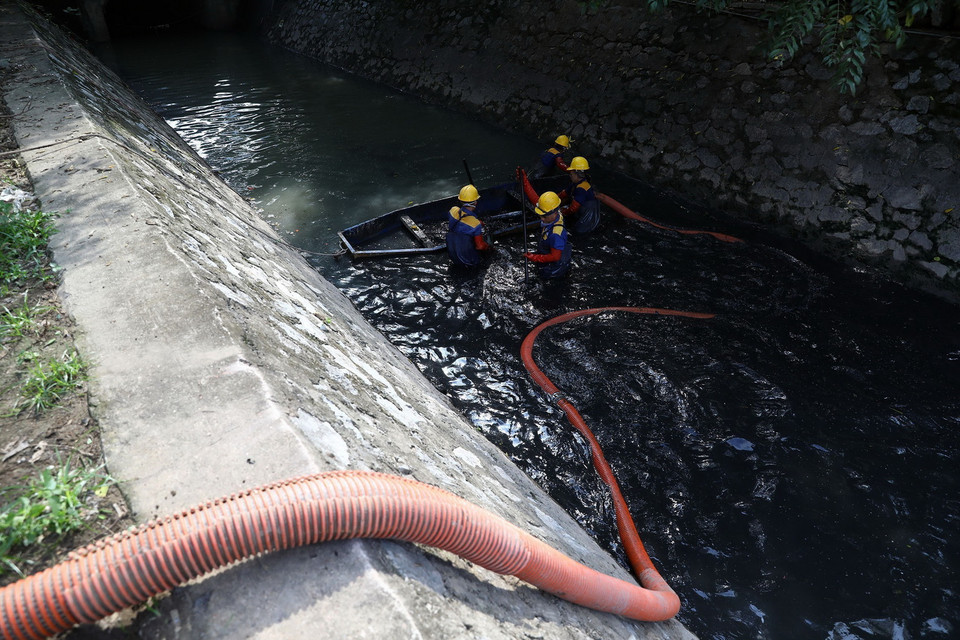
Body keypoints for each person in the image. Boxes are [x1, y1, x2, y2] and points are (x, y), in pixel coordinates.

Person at [523, 191, 572, 279]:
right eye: (540, 215)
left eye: (544, 216)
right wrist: (525, 184)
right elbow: (536, 201)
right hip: (549, 253)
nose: (541, 218)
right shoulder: (556, 213)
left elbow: (555, 257)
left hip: (554, 268)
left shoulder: (556, 235)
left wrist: (535, 257)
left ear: (554, 213)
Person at [446, 184, 491, 267]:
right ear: (475, 202)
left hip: (453, 256)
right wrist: (488, 247)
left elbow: (462, 221)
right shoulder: (475, 224)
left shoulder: (453, 210)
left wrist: (476, 221)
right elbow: (480, 246)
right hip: (469, 261)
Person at [556, 156, 600, 235]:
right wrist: (552, 199)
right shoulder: (576, 183)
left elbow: (573, 208)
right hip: (581, 210)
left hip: (588, 217)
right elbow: (564, 193)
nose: (570, 174)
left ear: (577, 174)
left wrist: (561, 212)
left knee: (579, 232)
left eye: (571, 173)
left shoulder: (582, 188)